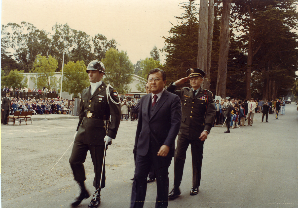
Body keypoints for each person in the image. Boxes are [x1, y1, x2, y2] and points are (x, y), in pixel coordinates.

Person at [69, 60, 121, 208]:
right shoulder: (85, 91)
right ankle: (82, 189)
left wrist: (111, 134)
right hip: (83, 131)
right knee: (74, 160)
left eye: (93, 71)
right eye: (88, 71)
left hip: (99, 133)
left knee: (98, 165)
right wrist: (77, 130)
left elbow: (116, 115)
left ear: (101, 73)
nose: (90, 74)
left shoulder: (109, 91)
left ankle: (97, 192)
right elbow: (82, 113)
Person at [130, 68, 181, 208]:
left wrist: (167, 144)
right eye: (150, 79)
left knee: (162, 181)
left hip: (162, 149)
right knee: (139, 180)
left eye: (156, 79)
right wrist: (136, 147)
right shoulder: (144, 99)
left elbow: (175, 124)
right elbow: (140, 126)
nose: (153, 82)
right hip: (143, 149)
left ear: (164, 82)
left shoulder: (173, 99)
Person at [167, 68, 216, 199]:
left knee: (197, 159)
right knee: (178, 159)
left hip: (198, 132)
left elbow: (211, 113)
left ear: (201, 80)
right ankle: (176, 187)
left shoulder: (207, 94)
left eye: (196, 78)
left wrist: (206, 130)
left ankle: (195, 185)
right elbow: (167, 92)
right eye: (191, 78)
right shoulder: (183, 91)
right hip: (183, 131)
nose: (193, 80)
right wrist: (177, 82)